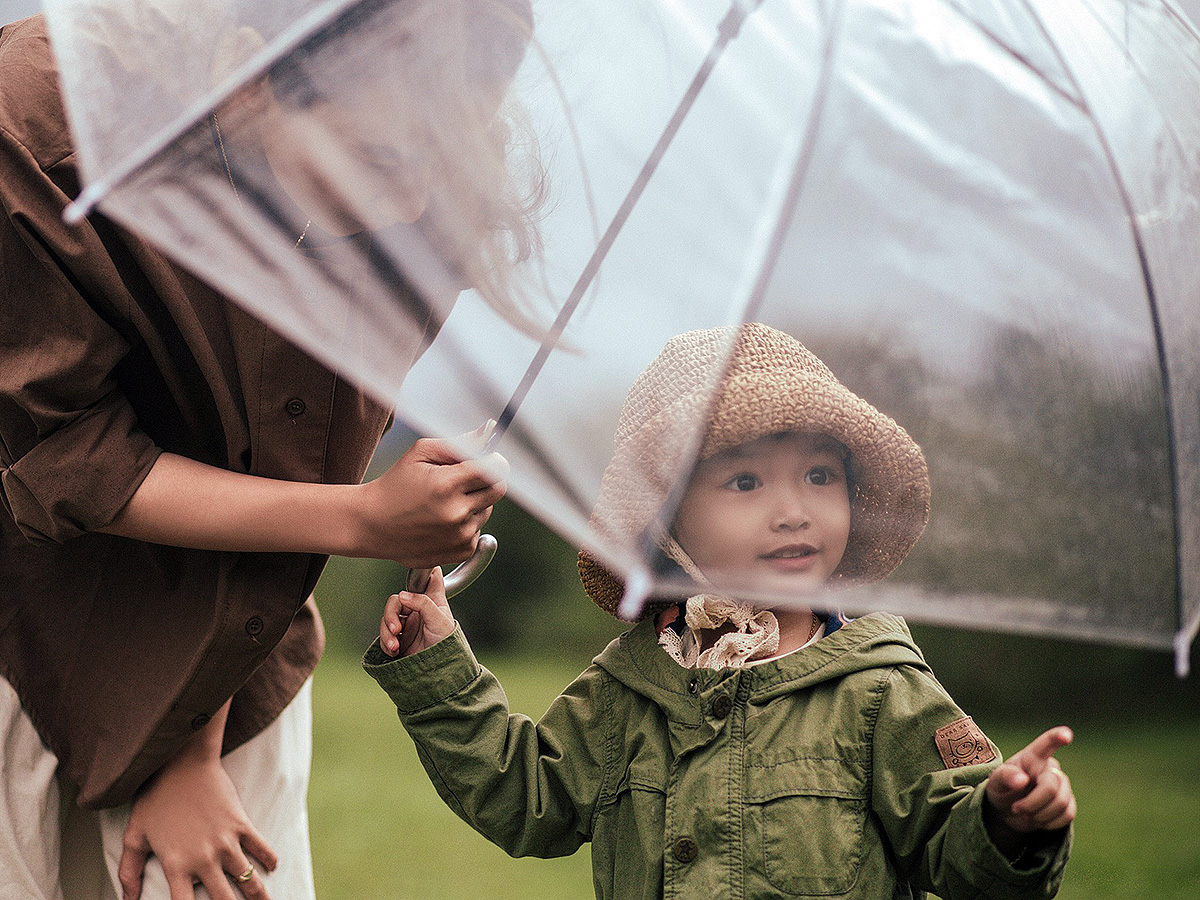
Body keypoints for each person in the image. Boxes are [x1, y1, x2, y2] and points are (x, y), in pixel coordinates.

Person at [0, 2, 536, 899]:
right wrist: (366, 519)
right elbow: (63, 454)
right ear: (246, 78)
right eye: (378, 162)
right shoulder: (37, 125)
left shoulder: (435, 195)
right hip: (21, 616)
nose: (406, 204)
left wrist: (191, 744)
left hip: (229, 650)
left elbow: (291, 464)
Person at [364, 323, 1075, 899]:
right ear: (666, 523)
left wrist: (1007, 823)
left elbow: (956, 849)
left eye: (819, 475)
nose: (794, 510)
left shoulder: (880, 688)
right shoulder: (630, 685)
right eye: (745, 480)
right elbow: (526, 797)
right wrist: (439, 670)